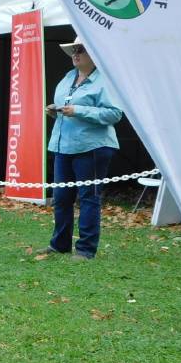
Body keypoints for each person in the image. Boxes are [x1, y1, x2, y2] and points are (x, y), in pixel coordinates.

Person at [41, 35, 123, 260]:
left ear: (94, 55)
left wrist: (78, 111)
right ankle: (60, 244)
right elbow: (65, 108)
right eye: (74, 49)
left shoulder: (105, 80)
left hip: (93, 148)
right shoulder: (68, 77)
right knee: (61, 197)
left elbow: (114, 114)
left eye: (81, 49)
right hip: (63, 146)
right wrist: (54, 111)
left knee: (88, 198)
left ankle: (86, 249)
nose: (75, 53)